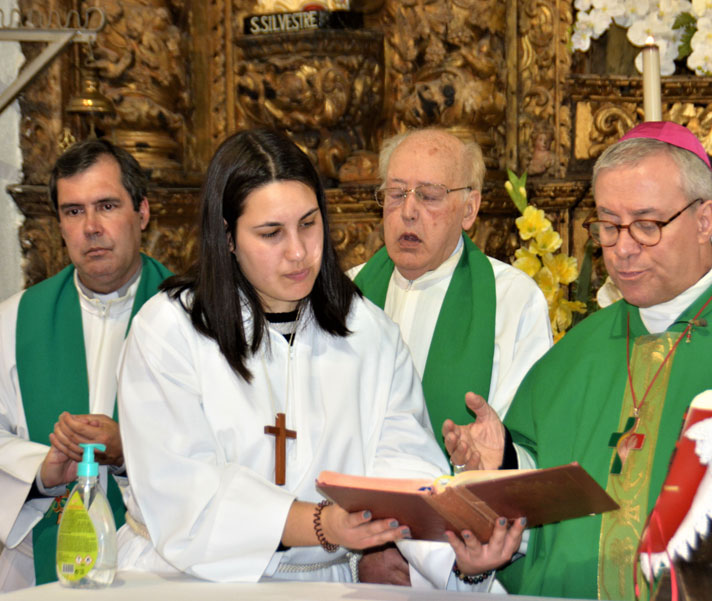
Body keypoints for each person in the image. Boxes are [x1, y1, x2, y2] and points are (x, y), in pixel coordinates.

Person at [115, 128, 524, 589]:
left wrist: (457, 554)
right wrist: (319, 523)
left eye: (308, 224)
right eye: (271, 233)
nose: (297, 252)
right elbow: (182, 489)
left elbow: (404, 466)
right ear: (226, 236)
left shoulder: (367, 332)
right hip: (181, 580)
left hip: (324, 582)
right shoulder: (172, 329)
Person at [443, 121, 712, 600]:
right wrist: (503, 465)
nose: (622, 248)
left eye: (647, 225)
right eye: (607, 224)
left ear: (704, 219)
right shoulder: (575, 355)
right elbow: (538, 517)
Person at [0, 139, 172, 591]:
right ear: (59, 223)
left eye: (107, 205)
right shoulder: (15, 320)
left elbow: (226, 445)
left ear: (143, 213)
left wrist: (129, 453)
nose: (91, 227)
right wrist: (40, 471)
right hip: (41, 562)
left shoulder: (196, 315)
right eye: (73, 211)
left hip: (160, 560)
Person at [350, 128, 551, 457]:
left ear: (469, 209)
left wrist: (495, 455)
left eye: (428, 196)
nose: (408, 211)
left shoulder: (512, 300)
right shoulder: (346, 295)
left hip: (464, 504)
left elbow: (531, 439)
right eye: (396, 193)